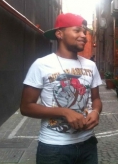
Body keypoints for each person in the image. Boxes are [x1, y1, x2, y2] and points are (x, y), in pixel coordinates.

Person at [20, 13, 103, 164]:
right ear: (59, 34)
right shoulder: (41, 65)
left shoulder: (90, 65)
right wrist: (64, 112)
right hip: (54, 148)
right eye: (77, 30)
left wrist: (96, 112)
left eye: (84, 32)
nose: (83, 35)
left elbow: (96, 98)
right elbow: (26, 107)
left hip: (88, 145)